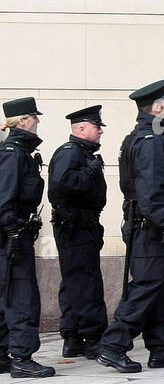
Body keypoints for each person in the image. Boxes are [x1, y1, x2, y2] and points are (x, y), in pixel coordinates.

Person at [97, 80, 164, 373]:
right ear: (157, 107)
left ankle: (160, 346)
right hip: (151, 224)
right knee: (147, 285)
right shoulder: (151, 140)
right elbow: (150, 190)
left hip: (147, 222)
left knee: (159, 287)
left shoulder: (145, 135)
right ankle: (114, 345)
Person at [48, 105, 109, 360]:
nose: (101, 133)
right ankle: (93, 337)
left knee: (76, 280)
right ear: (82, 129)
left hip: (83, 224)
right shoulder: (70, 153)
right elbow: (63, 187)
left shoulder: (81, 153)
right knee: (85, 282)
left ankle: (72, 336)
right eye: (97, 128)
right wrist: (90, 171)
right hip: (75, 226)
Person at [0, 97, 54, 378]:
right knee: (22, 296)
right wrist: (14, 230)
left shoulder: (16, 151)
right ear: (22, 121)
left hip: (10, 235)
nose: (37, 121)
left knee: (6, 294)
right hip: (12, 238)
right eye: (34, 116)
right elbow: (4, 199)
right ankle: (22, 357)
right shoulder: (13, 154)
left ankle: (2, 356)